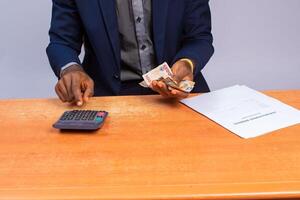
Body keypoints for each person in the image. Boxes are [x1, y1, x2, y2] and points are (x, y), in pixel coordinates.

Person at [47, 0, 214, 106]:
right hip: (106, 95)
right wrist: (71, 69)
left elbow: (199, 37)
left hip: (177, 94)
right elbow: (62, 42)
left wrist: (187, 63)